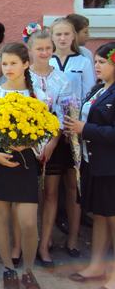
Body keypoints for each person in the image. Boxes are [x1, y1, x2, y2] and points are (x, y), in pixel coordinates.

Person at [0, 43, 47, 289]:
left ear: (26, 64)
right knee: (1, 216)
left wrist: (30, 143)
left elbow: (46, 130)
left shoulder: (36, 95)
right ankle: (8, 268)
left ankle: (28, 270)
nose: (8, 68)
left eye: (13, 63)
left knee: (28, 221)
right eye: (4, 64)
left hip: (24, 162)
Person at [65, 42, 115, 289]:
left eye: (102, 62)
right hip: (93, 162)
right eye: (95, 61)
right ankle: (97, 265)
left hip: (111, 167)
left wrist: (85, 129)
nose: (96, 66)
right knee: (101, 216)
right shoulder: (98, 88)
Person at [50, 17, 95, 256]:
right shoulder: (47, 59)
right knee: (48, 188)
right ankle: (46, 237)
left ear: (73, 36)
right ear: (52, 36)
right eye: (58, 34)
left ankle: (73, 238)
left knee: (72, 186)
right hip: (50, 130)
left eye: (67, 34)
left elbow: (89, 94)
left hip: (74, 130)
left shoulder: (83, 61)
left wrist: (76, 124)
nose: (63, 38)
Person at [26, 30, 72, 267]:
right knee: (28, 195)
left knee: (51, 193)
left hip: (54, 142)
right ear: (30, 50)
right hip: (27, 142)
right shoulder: (24, 76)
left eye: (48, 48)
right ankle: (26, 242)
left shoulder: (62, 79)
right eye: (39, 49)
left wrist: (53, 142)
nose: (44, 53)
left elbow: (64, 113)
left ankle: (45, 245)